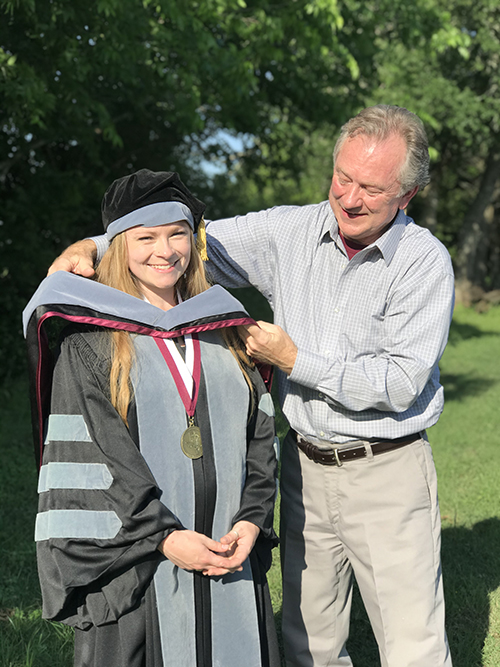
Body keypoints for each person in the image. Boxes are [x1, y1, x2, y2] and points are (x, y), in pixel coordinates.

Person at [47, 105, 455, 667]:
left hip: (384, 468)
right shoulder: (289, 230)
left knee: (413, 645)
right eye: (343, 178)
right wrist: (91, 247)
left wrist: (293, 358)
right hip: (305, 467)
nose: (349, 197)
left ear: (406, 197)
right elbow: (173, 236)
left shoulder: (423, 263)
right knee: (308, 639)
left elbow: (402, 382)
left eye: (371, 188)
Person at [23, 170, 280, 667]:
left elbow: (260, 434)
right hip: (139, 571)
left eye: (176, 234)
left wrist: (251, 520)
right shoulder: (90, 344)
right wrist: (163, 536)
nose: (165, 251)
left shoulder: (224, 328)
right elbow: (99, 456)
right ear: (117, 246)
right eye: (146, 237)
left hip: (230, 555)